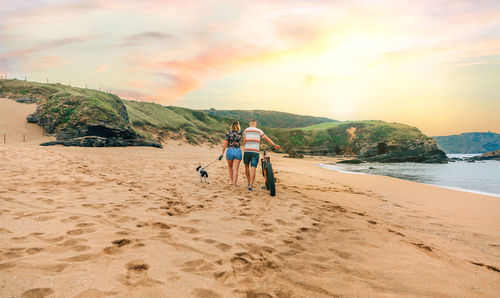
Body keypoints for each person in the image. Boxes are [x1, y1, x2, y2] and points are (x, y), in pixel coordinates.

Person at [242, 119, 279, 191]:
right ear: (255, 124)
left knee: (246, 166)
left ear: (250, 124)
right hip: (255, 152)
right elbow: (267, 139)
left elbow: (244, 141)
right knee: (253, 168)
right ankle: (250, 186)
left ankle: (249, 182)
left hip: (247, 151)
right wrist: (274, 145)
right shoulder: (259, 131)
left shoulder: (246, 130)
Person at [219, 121, 243, 186]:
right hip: (237, 151)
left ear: (231, 126)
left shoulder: (228, 133)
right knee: (235, 169)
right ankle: (234, 184)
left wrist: (222, 153)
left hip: (229, 150)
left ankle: (231, 181)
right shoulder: (240, 133)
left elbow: (225, 144)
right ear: (238, 126)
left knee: (230, 167)